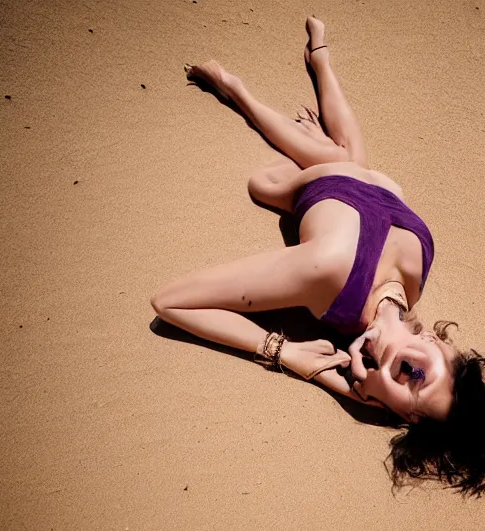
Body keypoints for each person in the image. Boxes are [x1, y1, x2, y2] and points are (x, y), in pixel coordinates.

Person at [151, 17, 485, 496]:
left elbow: (400, 370)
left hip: (385, 193)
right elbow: (169, 302)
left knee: (350, 156)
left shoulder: (416, 274)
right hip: (305, 185)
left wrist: (344, 378)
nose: (411, 388)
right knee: (278, 178)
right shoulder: (328, 273)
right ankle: (240, 92)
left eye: (406, 406)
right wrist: (282, 351)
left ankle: (321, 60)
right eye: (421, 376)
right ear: (439, 345)